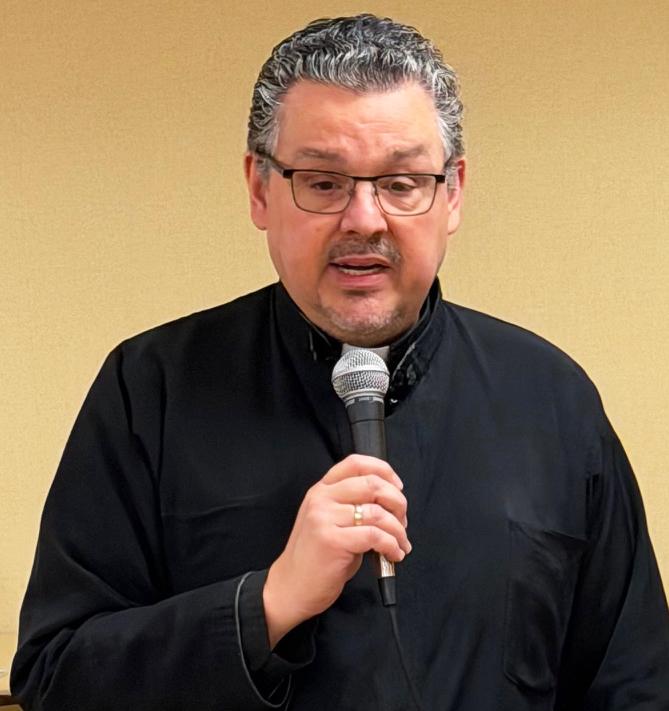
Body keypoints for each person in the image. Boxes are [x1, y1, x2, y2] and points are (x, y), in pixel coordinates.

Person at [11, 14, 669, 711]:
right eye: (323, 183)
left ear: (452, 193)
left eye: (401, 182)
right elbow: (56, 678)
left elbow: (633, 684)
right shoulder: (152, 387)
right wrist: (267, 605)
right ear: (260, 189)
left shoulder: (549, 397)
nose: (364, 219)